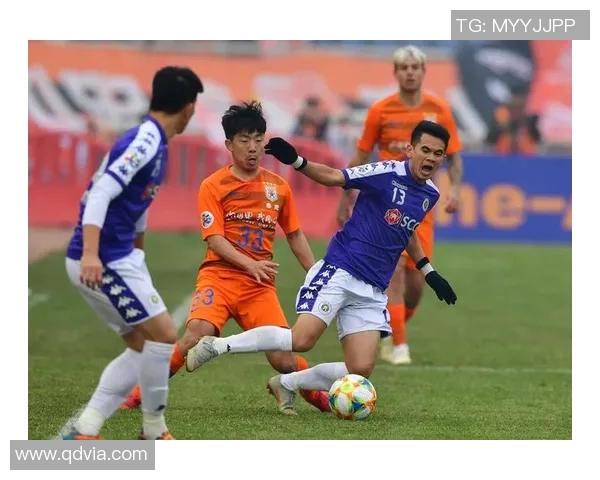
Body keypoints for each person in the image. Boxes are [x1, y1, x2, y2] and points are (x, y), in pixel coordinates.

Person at [184, 120, 458, 415]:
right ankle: (217, 346)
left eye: (437, 153)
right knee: (301, 340)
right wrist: (297, 161)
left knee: (360, 368)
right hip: (342, 269)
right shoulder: (386, 172)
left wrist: (428, 271)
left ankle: (286, 383)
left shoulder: (430, 194)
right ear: (410, 149)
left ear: (443, 158)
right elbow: (333, 176)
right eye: (425, 150)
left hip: (373, 287)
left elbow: (407, 228)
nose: (430, 158)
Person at [120, 101, 331, 413]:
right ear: (229, 144)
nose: (253, 147)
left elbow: (295, 234)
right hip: (218, 278)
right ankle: (136, 395)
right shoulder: (213, 185)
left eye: (258, 139)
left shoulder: (279, 187)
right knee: (194, 336)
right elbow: (215, 239)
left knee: (284, 358)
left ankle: (319, 397)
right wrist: (249, 263)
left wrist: (315, 274)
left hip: (258, 287)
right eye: (244, 140)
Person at [62, 66, 204, 440]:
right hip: (103, 259)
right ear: (188, 108)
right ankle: (154, 431)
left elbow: (137, 205)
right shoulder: (144, 142)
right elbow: (100, 194)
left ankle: (87, 428)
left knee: (145, 348)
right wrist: (91, 254)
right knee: (164, 335)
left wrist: (137, 258)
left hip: (119, 258)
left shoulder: (155, 142)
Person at [337, 45, 464, 365]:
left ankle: (386, 331)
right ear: (395, 73)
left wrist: (455, 189)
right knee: (393, 274)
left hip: (420, 206)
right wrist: (345, 196)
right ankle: (400, 347)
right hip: (386, 204)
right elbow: (361, 156)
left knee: (417, 284)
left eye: (415, 67)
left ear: (423, 72)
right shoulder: (380, 110)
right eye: (404, 67)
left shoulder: (439, 109)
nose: (409, 72)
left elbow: (454, 157)